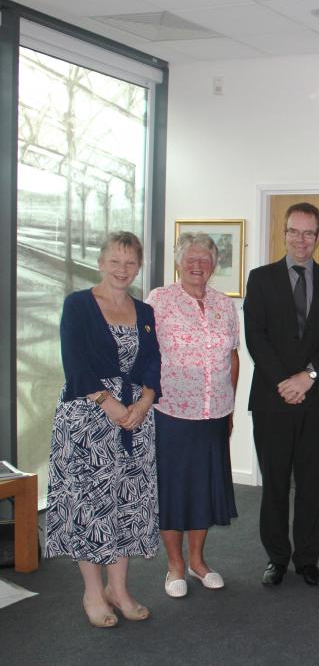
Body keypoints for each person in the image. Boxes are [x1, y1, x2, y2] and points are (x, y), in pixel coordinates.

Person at [46, 231, 161, 628]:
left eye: (130, 262)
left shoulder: (144, 312)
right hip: (88, 420)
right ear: (100, 262)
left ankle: (120, 589)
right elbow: (75, 362)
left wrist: (144, 402)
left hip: (135, 421)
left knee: (127, 505)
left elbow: (152, 364)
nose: (122, 269)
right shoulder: (78, 305)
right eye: (115, 261)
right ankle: (93, 593)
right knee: (91, 507)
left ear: (138, 266)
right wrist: (110, 404)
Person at [243, 202, 319, 587]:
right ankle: (277, 558)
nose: (301, 240)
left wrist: (309, 377)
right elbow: (256, 337)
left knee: (312, 483)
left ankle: (307, 560)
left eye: (308, 233)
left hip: (317, 400)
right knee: (275, 485)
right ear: (284, 234)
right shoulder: (261, 278)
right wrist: (286, 382)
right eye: (293, 231)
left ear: (318, 237)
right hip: (272, 399)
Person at [148, 233, 240, 597]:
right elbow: (146, 355)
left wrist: (229, 406)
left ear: (214, 264)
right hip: (170, 410)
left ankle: (199, 562)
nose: (198, 265)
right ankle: (174, 566)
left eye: (205, 259)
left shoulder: (223, 304)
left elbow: (232, 356)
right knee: (173, 489)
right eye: (191, 258)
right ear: (178, 261)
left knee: (203, 487)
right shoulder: (159, 300)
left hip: (214, 411)